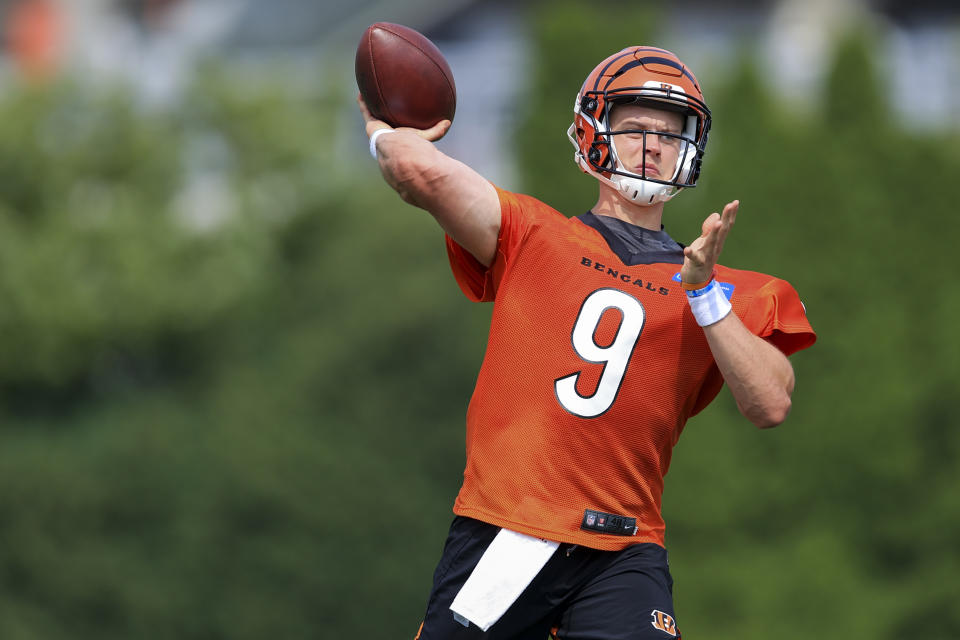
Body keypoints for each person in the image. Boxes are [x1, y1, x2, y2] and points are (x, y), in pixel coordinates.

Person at [358, 45, 816, 640]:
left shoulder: (720, 287)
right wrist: (386, 131)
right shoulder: (534, 234)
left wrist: (704, 295)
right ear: (592, 132)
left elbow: (770, 402)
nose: (653, 144)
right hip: (514, 528)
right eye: (634, 128)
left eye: (670, 133)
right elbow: (419, 170)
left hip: (625, 545)